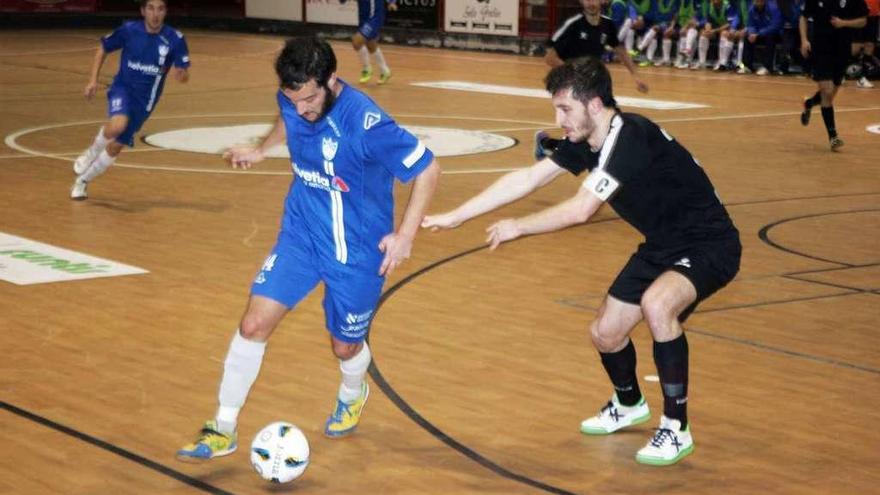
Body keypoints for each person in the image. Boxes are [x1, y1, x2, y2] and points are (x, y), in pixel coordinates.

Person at [423, 58, 741, 466]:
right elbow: (528, 179)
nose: (558, 120)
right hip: (662, 244)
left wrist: (519, 226)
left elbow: (581, 210)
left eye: (565, 109)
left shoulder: (631, 137)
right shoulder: (587, 141)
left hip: (709, 243)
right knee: (606, 333)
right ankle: (629, 404)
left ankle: (676, 427)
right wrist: (457, 215)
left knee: (657, 305)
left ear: (594, 104)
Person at [176, 36, 440, 461]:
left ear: (332, 80)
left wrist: (405, 235)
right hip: (301, 235)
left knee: (345, 348)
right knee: (252, 325)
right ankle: (222, 427)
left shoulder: (367, 124)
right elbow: (287, 119)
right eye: (292, 99)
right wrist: (263, 149)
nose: (302, 109)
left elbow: (429, 168)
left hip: (358, 252)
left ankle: (353, 391)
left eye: (310, 99)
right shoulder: (293, 98)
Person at [70, 0, 189, 200]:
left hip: (145, 102)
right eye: (150, 8)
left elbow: (184, 73)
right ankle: (90, 153)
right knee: (117, 125)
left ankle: (82, 182)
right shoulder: (129, 30)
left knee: (116, 146)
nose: (155, 14)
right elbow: (103, 48)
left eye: (160, 9)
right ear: (143, 11)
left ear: (166, 11)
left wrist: (181, 75)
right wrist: (92, 80)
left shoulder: (175, 39)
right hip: (122, 88)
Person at [799, 0, 868, 150]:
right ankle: (833, 137)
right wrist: (804, 40)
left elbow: (863, 21)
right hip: (821, 49)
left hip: (841, 50)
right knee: (827, 91)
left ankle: (809, 103)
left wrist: (844, 23)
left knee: (830, 94)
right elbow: (803, 17)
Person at [546, 0, 650, 93]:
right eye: (587, 0)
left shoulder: (607, 24)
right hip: (569, 83)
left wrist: (636, 76)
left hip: (592, 82)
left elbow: (621, 51)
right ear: (581, 1)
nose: (591, 3)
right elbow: (550, 58)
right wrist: (577, 75)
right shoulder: (572, 24)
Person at [350, 0, 397, 84]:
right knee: (370, 44)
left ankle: (367, 69)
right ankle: (385, 71)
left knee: (356, 41)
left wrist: (391, 2)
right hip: (363, 17)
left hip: (375, 18)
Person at [738, 0, 783, 74]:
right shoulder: (752, 9)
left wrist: (759, 33)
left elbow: (775, 26)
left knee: (770, 37)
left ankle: (767, 67)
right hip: (758, 34)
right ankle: (747, 66)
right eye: (756, 1)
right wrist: (752, 33)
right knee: (747, 37)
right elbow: (750, 24)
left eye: (760, 1)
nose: (758, 3)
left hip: (774, 34)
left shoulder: (773, 8)